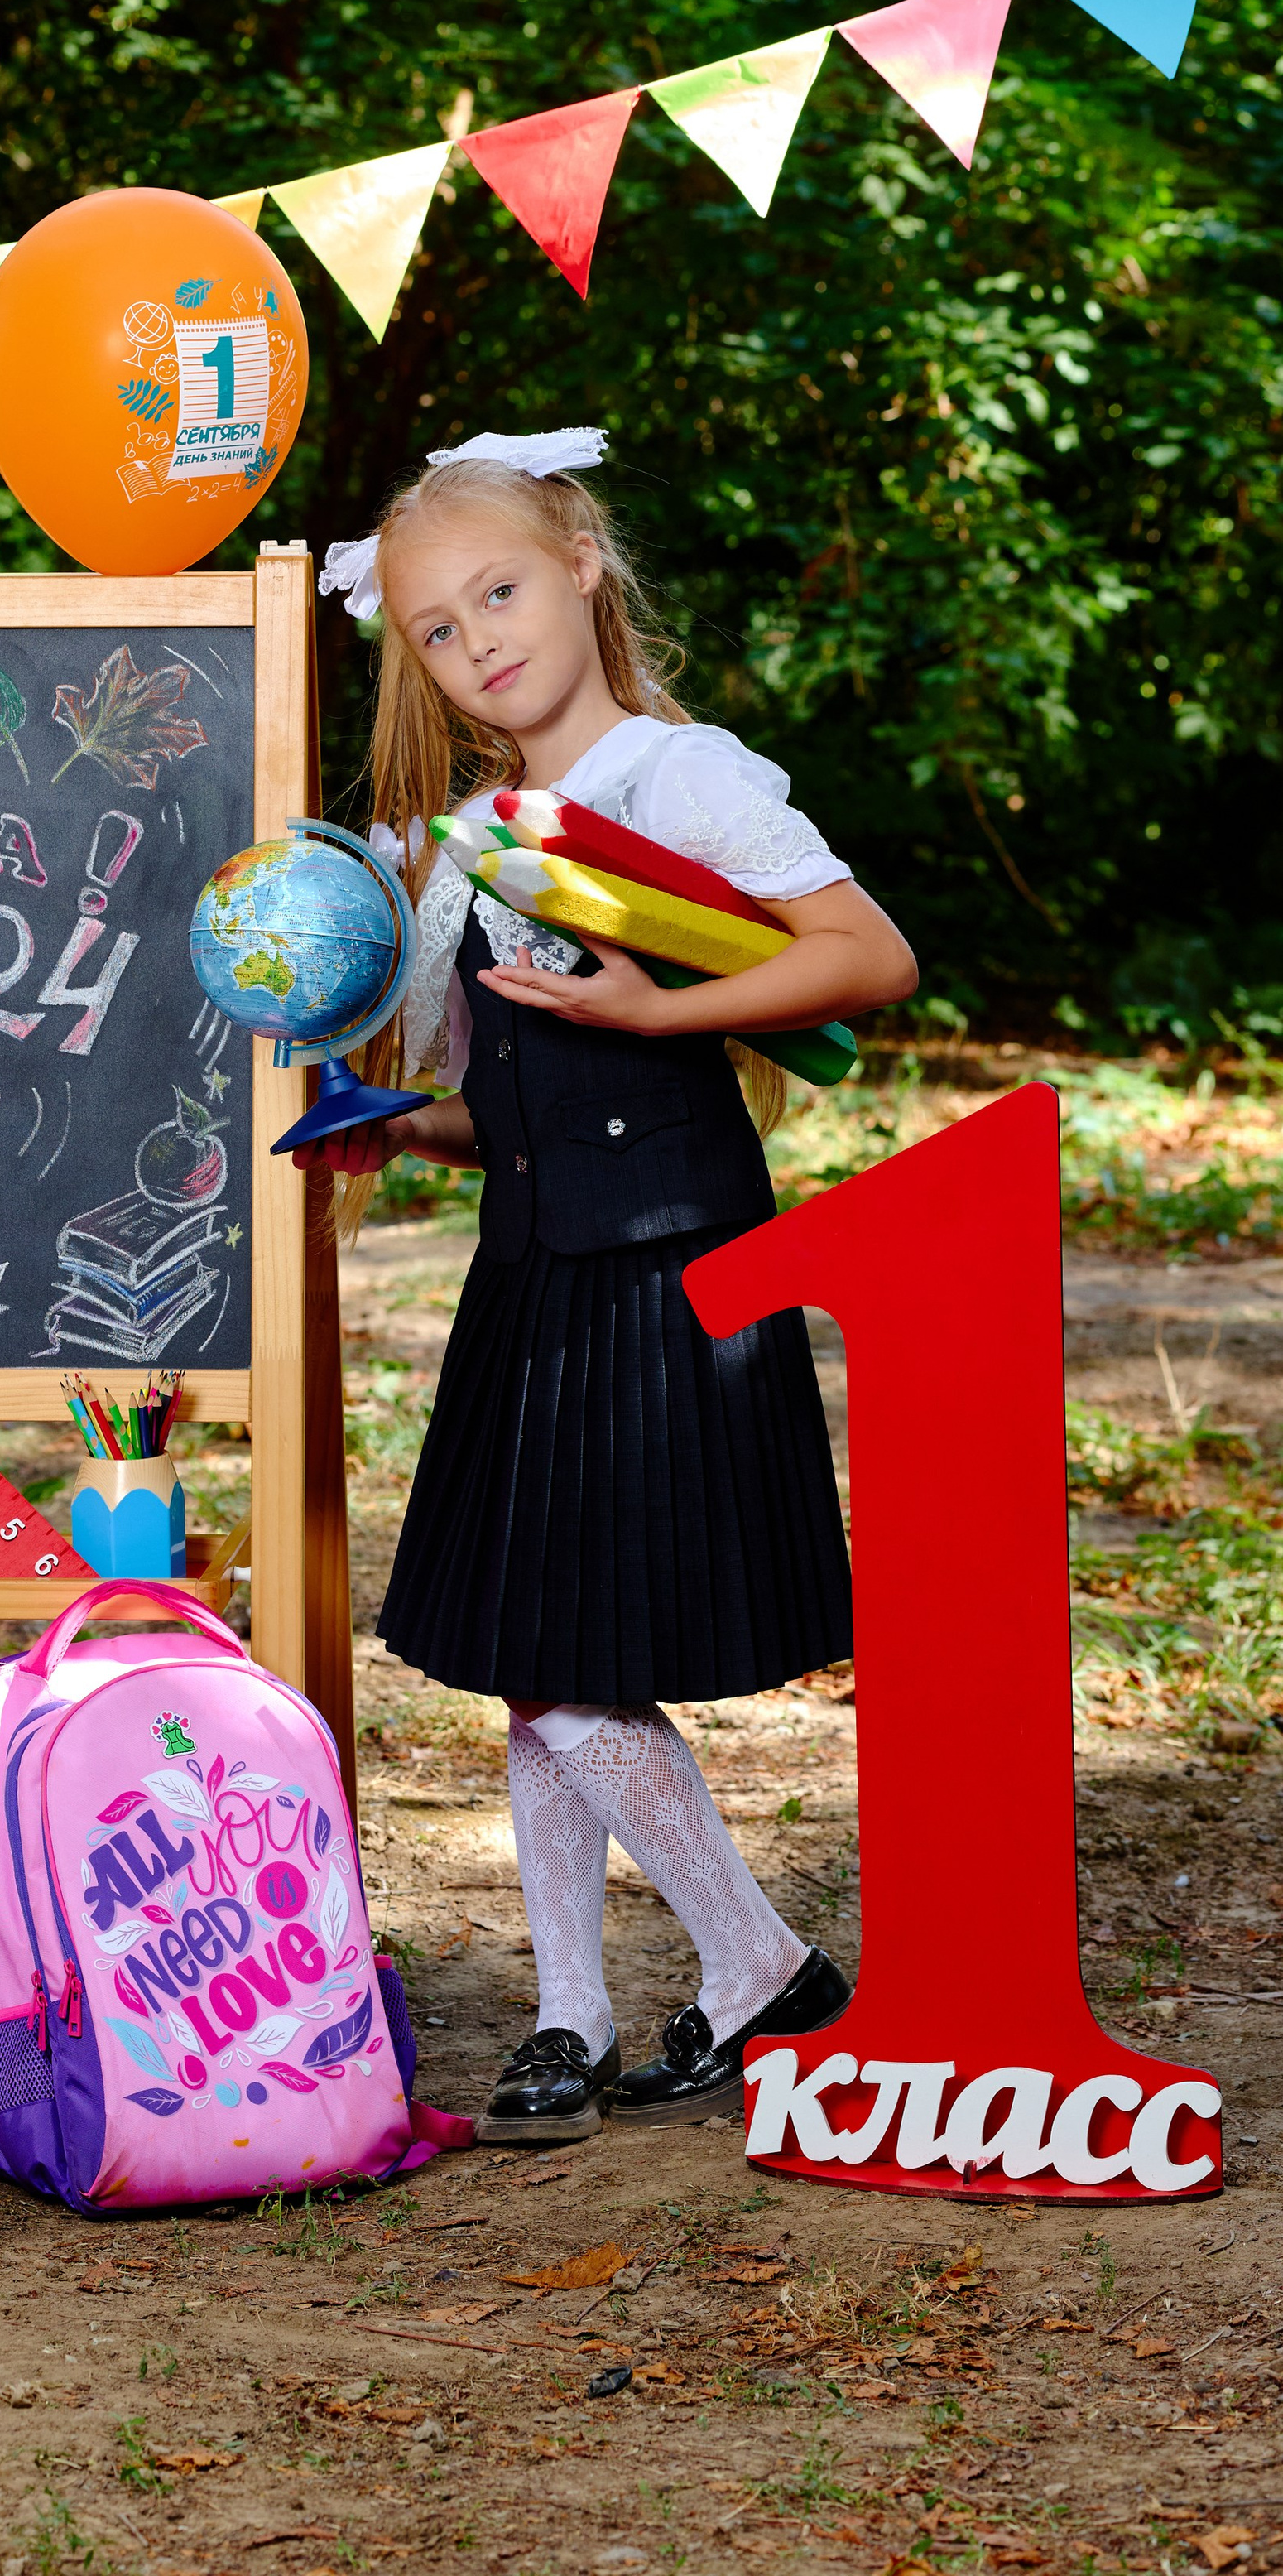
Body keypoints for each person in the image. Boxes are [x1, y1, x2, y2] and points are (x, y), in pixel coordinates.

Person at [306, 430, 919, 2143]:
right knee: (532, 1657)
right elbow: (506, 1090)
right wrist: (394, 1122)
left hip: (666, 1263)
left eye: (495, 590)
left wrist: (660, 1012)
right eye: (434, 628)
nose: (475, 639)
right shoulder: (463, 840)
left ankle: (758, 1961)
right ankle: (571, 2008)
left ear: (577, 557)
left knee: (570, 1667)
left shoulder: (679, 777)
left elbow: (866, 954)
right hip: (533, 1267)